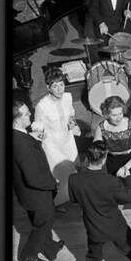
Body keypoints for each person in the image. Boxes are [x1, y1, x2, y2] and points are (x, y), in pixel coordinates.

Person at [12, 100, 64, 261]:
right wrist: (52, 183)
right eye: (26, 114)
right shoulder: (22, 144)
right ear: (17, 119)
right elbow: (32, 177)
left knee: (41, 222)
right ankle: (28, 254)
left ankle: (50, 248)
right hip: (36, 194)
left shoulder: (18, 135)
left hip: (27, 193)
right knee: (43, 224)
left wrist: (32, 139)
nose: (30, 115)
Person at [94, 95, 131, 231]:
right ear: (106, 114)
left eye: (120, 113)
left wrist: (126, 167)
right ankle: (116, 223)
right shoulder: (101, 127)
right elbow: (97, 150)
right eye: (114, 115)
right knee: (115, 194)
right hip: (112, 162)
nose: (118, 117)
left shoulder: (130, 125)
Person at [34, 67, 81, 207]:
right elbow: (38, 128)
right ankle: (55, 204)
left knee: (72, 171)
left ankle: (66, 199)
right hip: (52, 144)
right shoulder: (42, 106)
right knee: (61, 175)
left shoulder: (68, 97)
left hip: (67, 140)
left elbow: (71, 114)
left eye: (61, 84)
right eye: (55, 86)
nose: (60, 89)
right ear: (48, 88)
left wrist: (72, 123)